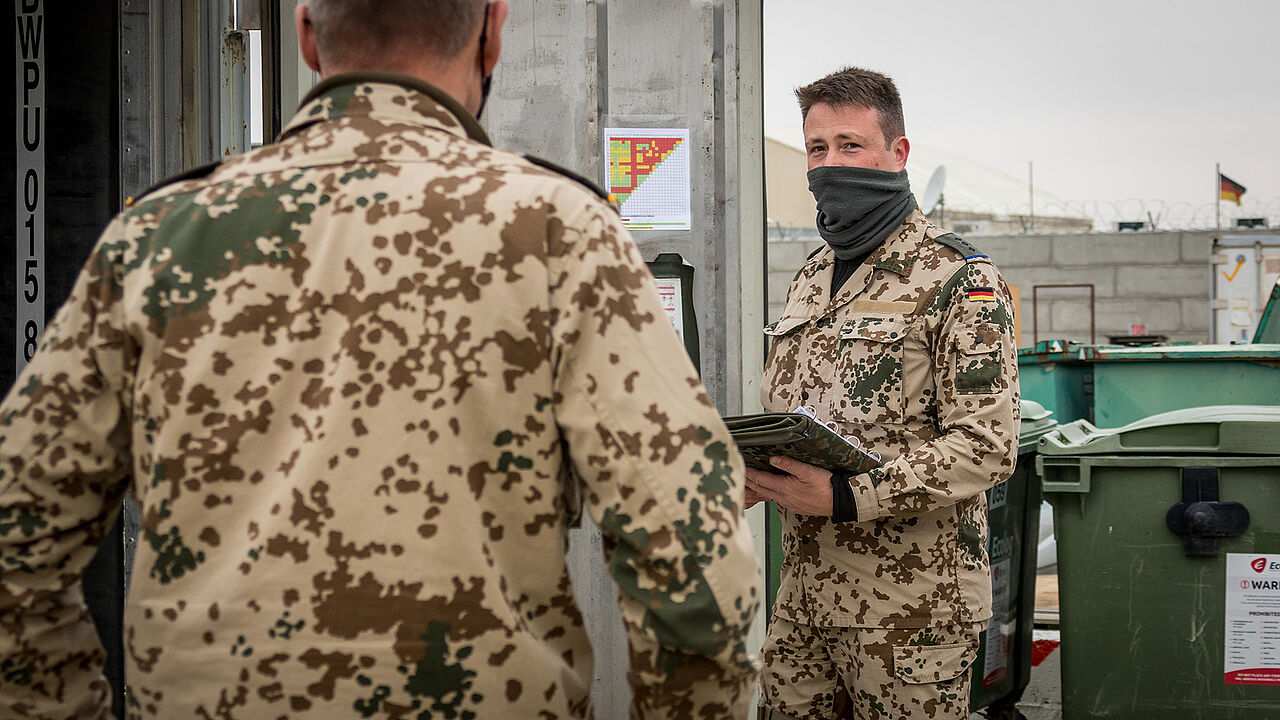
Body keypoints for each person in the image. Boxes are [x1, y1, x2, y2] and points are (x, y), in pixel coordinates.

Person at [0, 1, 761, 717]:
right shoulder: (558, 230)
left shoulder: (157, 239)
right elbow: (692, 553)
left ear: (307, 35)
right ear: (493, 31)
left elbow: (16, 530)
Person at [745, 66, 1019, 720]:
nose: (830, 164)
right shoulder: (813, 276)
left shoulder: (958, 278)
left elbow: (988, 444)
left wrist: (847, 495)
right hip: (804, 598)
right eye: (817, 148)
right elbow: (808, 417)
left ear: (898, 153)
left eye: (850, 145)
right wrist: (758, 473)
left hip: (910, 612)